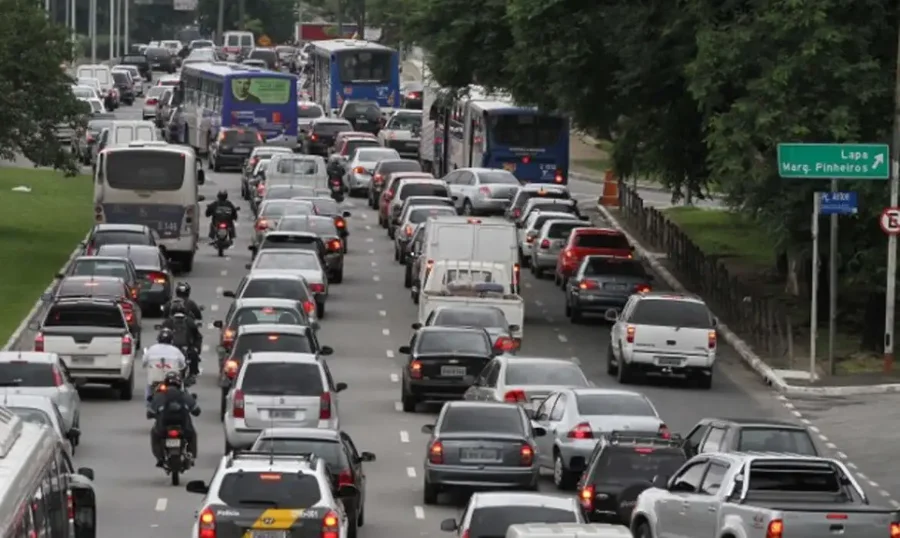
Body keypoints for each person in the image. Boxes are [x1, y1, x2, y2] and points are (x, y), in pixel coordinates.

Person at [146, 371, 200, 467]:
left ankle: (160, 458)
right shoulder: (184, 395)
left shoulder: (159, 396)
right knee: (192, 435)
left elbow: (150, 413)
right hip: (184, 427)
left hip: (163, 427)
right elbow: (197, 411)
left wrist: (155, 414)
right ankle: (191, 455)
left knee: (155, 435)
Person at [141, 328, 187, 403]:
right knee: (181, 391)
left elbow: (144, 362)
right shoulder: (176, 350)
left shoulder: (152, 349)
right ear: (171, 340)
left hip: (154, 380)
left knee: (149, 391)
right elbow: (183, 365)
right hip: (172, 380)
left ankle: (148, 404)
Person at [161, 301, 203, 376]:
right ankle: (192, 373)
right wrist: (196, 348)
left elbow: (161, 338)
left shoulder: (167, 322)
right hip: (186, 349)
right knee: (194, 357)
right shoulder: (189, 321)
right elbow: (197, 336)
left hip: (173, 350)